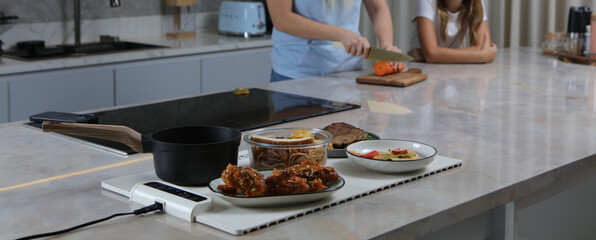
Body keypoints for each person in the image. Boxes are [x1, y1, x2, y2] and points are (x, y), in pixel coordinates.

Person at [266, 0, 401, 82]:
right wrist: (340, 34)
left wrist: (386, 45)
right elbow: (281, 19)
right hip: (296, 75)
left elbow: (377, 8)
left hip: (349, 74)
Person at [408, 0, 497, 63]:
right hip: (423, 72)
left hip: (452, 69)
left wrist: (435, 56)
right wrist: (480, 56)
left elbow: (484, 47)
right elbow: (431, 54)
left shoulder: (476, 2)